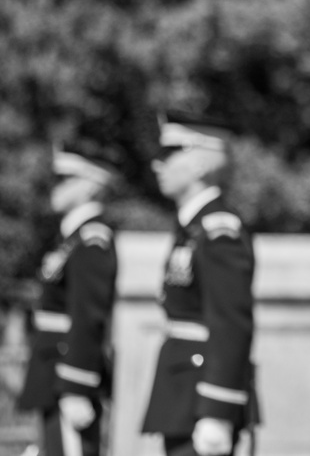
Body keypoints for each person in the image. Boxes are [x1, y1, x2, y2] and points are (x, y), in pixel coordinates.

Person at [141, 111, 257, 456]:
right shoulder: (193, 227)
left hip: (202, 394)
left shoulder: (219, 230)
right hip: (183, 392)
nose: (157, 165)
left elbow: (231, 322)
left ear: (199, 164)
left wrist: (217, 412)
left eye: (169, 154)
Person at [18, 144, 119, 456]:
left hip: (66, 371)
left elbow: (88, 316)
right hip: (52, 369)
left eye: (65, 179)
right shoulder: (70, 239)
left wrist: (76, 384)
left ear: (91, 185)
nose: (55, 186)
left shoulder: (92, 240)